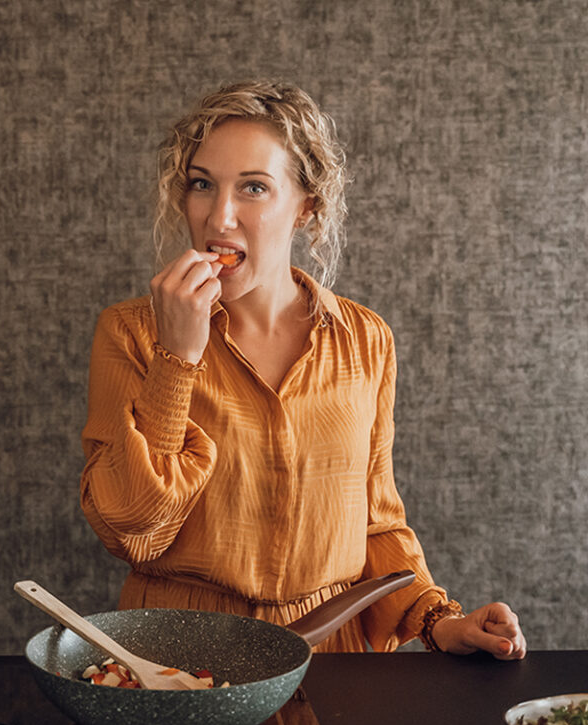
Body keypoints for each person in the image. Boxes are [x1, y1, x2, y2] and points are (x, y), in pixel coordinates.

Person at [80, 80, 526, 659]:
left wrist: (440, 622)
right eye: (202, 184)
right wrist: (177, 358)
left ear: (306, 206)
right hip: (179, 653)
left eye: (254, 188)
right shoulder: (131, 333)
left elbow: (376, 525)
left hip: (334, 661)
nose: (219, 217)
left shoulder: (366, 339)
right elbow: (132, 530)